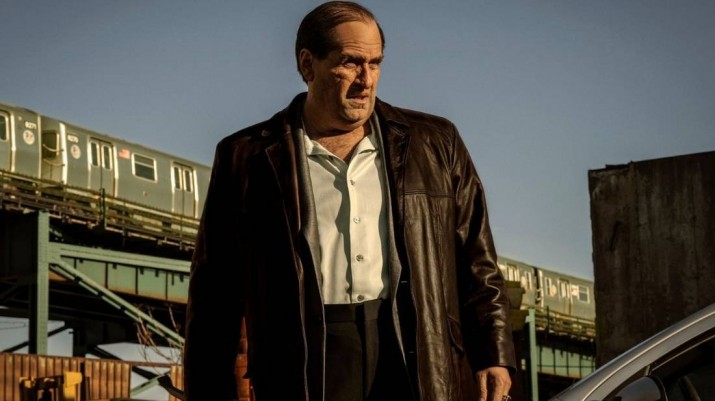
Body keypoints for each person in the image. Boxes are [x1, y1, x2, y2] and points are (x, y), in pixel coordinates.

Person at [183, 2, 516, 400]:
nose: (366, 80)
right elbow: (215, 291)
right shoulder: (246, 156)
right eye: (351, 63)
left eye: (375, 63)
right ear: (308, 65)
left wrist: (494, 353)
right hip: (303, 361)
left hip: (414, 349)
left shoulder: (436, 142)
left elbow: (477, 259)